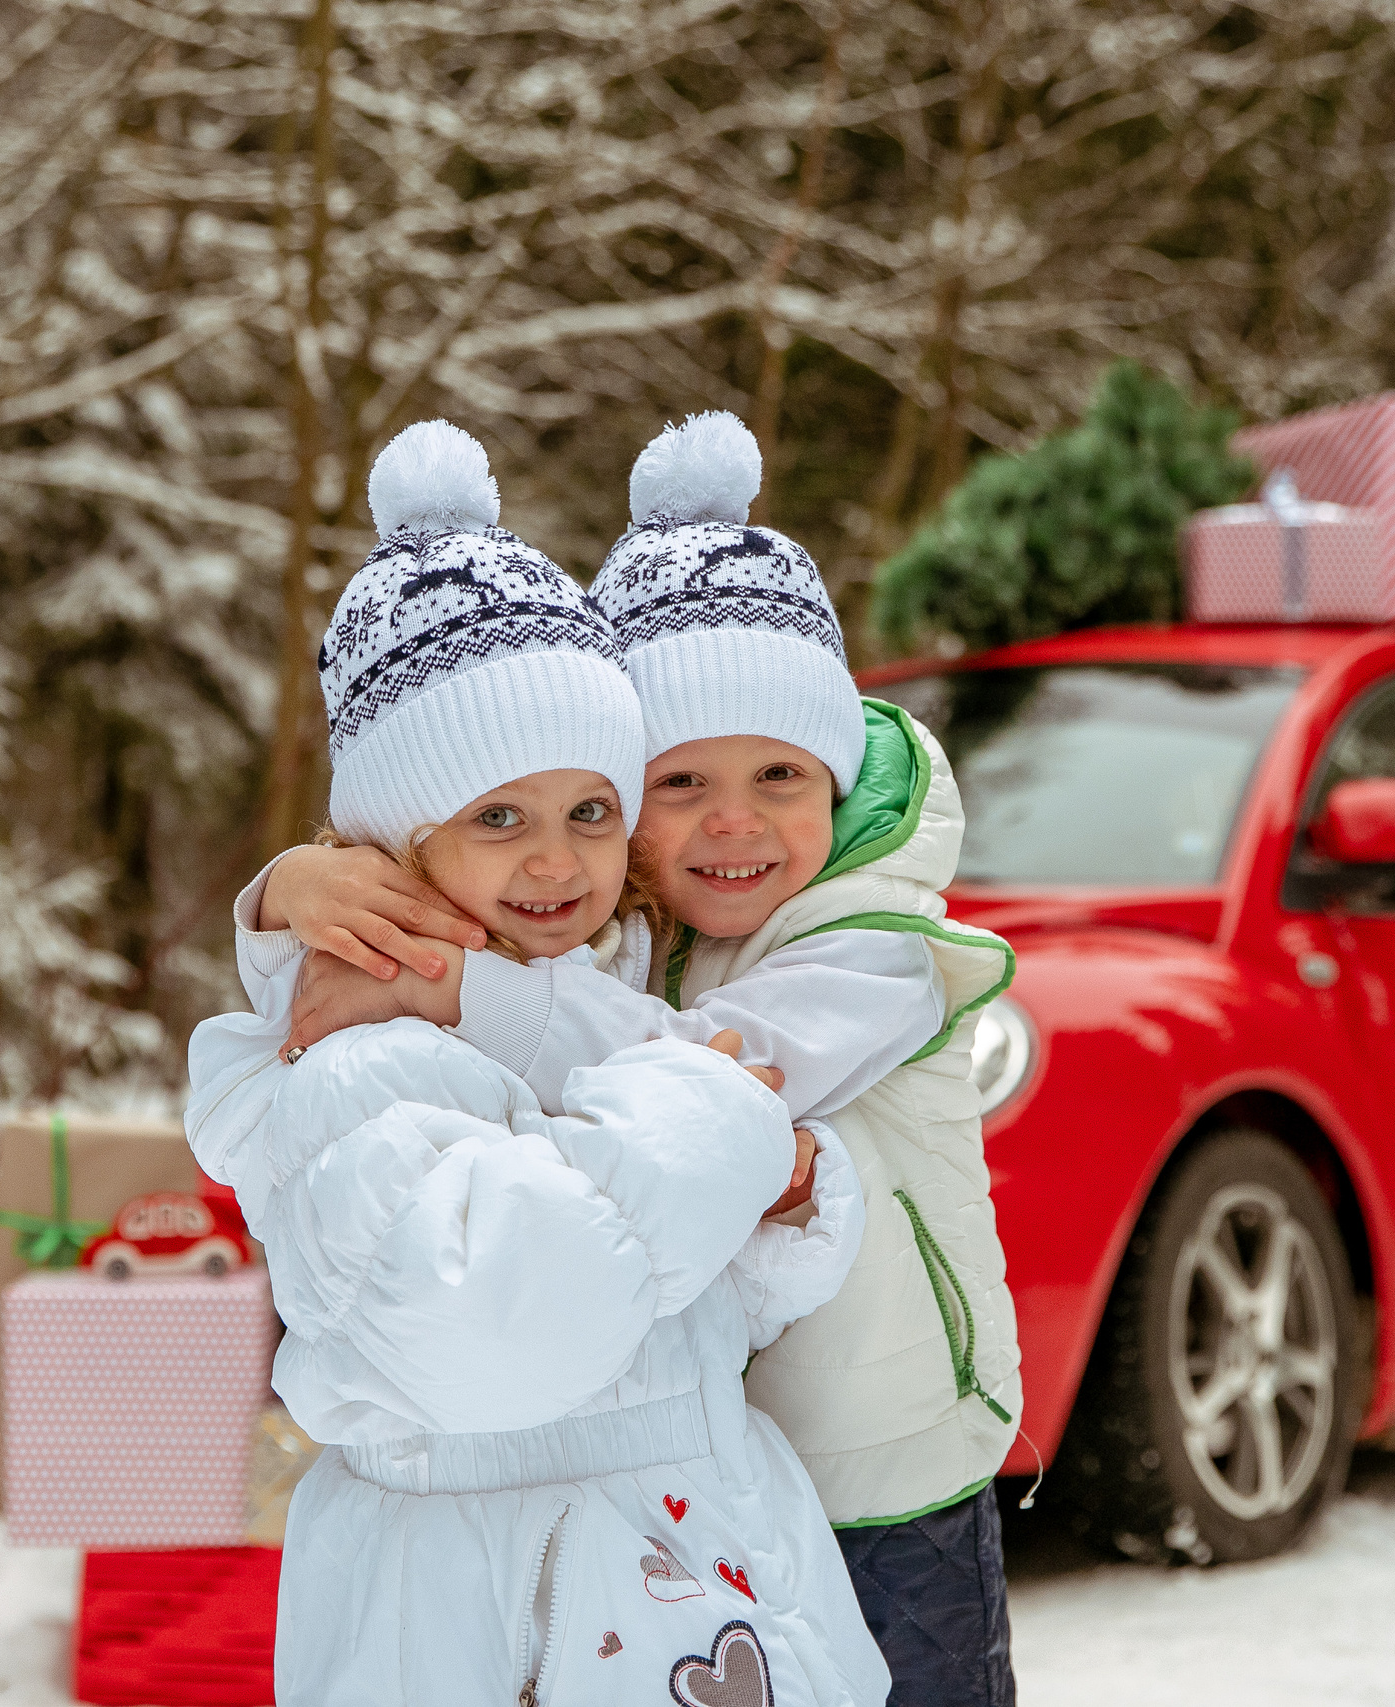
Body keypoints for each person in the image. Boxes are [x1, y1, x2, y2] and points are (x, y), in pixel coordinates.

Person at [262, 414, 1024, 1707]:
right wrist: (296, 888)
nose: (735, 823)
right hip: (733, 1456)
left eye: (781, 774)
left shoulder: (874, 945)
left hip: (889, 1461)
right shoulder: (621, 926)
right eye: (676, 785)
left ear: (837, 784)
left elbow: (715, 1080)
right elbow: (456, 881)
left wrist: (456, 987)